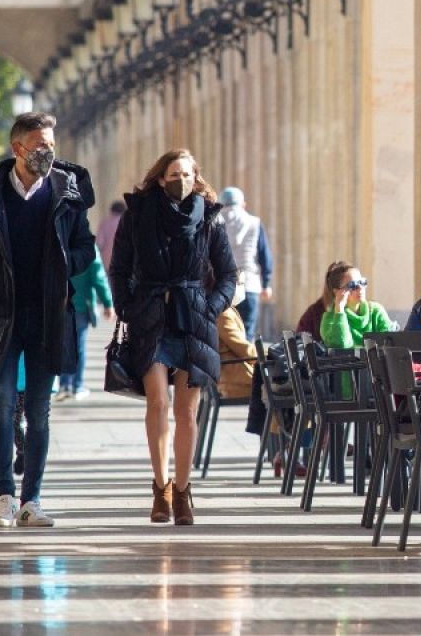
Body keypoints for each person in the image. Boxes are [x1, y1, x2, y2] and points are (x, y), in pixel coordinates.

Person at [0, 111, 96, 529]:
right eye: (40, 145)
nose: (47, 152)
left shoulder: (68, 193)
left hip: (48, 314)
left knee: (39, 409)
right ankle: (4, 496)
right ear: (18, 148)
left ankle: (33, 498)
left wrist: (62, 264)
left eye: (51, 144)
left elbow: (85, 248)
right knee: (0, 406)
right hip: (0, 315)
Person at [108, 150, 237, 526]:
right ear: (160, 178)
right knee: (158, 402)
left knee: (186, 410)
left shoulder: (210, 218)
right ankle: (161, 487)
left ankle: (183, 491)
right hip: (151, 317)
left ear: (195, 178)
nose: (180, 178)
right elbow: (118, 268)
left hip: (193, 318)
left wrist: (209, 307)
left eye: (187, 173)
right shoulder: (138, 215)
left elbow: (228, 273)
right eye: (173, 173)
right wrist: (128, 306)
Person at [216, 187, 274, 340]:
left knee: (222, 335)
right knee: (247, 333)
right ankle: (247, 362)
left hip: (220, 285)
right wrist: (266, 283)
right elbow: (264, 255)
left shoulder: (214, 221)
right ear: (243, 204)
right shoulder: (254, 222)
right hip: (249, 284)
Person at [58, 245, 112, 400]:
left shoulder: (58, 242)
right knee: (79, 346)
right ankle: (77, 385)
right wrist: (108, 302)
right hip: (81, 304)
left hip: (59, 304)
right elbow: (98, 277)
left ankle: (64, 384)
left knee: (63, 345)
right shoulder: (88, 247)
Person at [319, 264, 395, 349]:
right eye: (353, 285)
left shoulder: (375, 311)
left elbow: (391, 344)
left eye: (362, 282)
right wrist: (339, 310)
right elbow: (341, 345)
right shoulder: (330, 319)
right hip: (347, 362)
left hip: (375, 362)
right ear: (337, 292)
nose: (360, 288)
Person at [96, 199, 126, 271]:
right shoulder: (128, 223)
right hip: (125, 262)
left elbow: (99, 243)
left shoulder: (105, 223)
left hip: (107, 262)